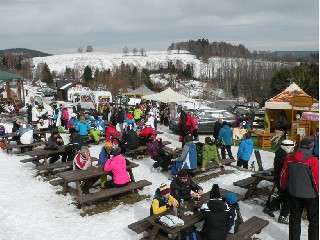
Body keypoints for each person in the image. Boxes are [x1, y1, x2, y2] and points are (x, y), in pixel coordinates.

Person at [280, 138, 319, 240]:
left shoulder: (289, 158)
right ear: (311, 147)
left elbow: (283, 175)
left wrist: (283, 187)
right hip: (311, 196)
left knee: (294, 219)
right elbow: (316, 180)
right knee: (314, 221)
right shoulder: (313, 160)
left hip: (294, 193)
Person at [263, 140, 294, 223]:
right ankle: (283, 216)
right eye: (292, 148)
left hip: (279, 178)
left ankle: (269, 207)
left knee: (283, 194)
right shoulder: (282, 157)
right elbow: (288, 168)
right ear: (287, 148)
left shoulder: (281, 154)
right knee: (288, 197)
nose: (293, 149)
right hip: (281, 179)